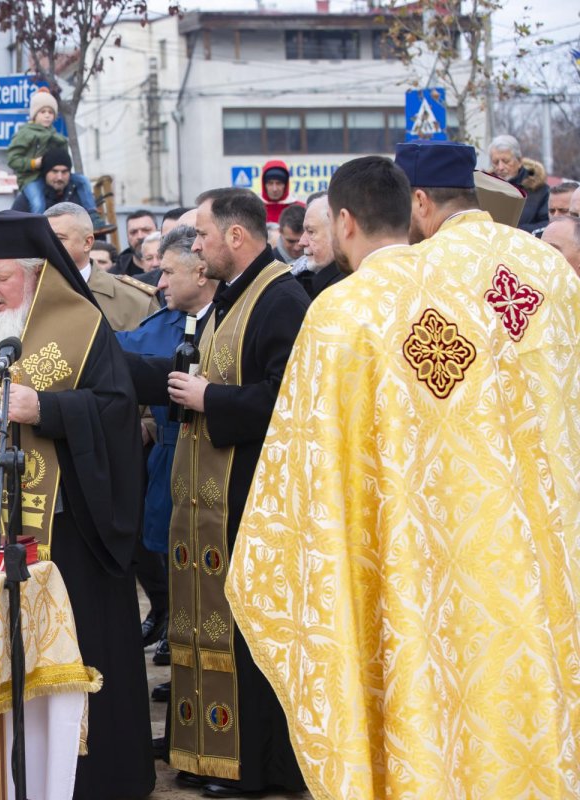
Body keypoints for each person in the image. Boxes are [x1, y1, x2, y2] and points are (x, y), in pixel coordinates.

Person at [227, 154, 580, 800]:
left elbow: (305, 472)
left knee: (428, 709)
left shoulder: (357, 307)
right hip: (537, 543)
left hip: (417, 558)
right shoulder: (529, 274)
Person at [0, 210, 156, 800]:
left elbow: (118, 412)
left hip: (68, 529)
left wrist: (47, 410)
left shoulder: (82, 325)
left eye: (3, 276)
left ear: (36, 273)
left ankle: (87, 779)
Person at [136, 188, 308, 795]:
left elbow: (288, 400)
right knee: (200, 624)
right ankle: (203, 750)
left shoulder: (281, 297)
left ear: (235, 237)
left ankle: (249, 767)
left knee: (243, 633)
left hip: (248, 495)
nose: (196, 248)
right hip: (209, 496)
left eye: (202, 235)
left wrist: (210, 399)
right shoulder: (234, 296)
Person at [399, 140, 580, 581]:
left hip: (467, 489)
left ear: (419, 201)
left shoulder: (417, 270)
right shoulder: (546, 260)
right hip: (557, 475)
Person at [115, 225, 217, 706]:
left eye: (169, 272)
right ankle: (185, 685)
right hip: (169, 469)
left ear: (201, 271)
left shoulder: (233, 320)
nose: (158, 284)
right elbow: (111, 353)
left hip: (218, 470)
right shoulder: (160, 326)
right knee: (176, 571)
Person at [45, 202, 156, 332]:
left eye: (59, 239)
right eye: (44, 239)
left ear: (87, 243)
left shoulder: (135, 301)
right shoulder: (25, 293)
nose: (48, 246)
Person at [5, 88, 97, 214]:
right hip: (30, 178)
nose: (47, 115)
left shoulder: (56, 136)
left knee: (83, 181)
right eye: (43, 112)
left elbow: (63, 157)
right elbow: (12, 159)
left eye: (51, 112)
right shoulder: (25, 134)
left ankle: (92, 214)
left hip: (48, 176)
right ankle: (38, 228)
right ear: (34, 115)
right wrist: (32, 163)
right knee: (37, 202)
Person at [11, 147, 102, 224]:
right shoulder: (27, 200)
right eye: (54, 171)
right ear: (45, 173)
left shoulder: (81, 197)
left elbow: (96, 234)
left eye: (64, 172)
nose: (59, 177)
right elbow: (12, 230)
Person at [487, 134, 549, 232]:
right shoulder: (484, 189)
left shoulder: (540, 189)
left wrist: (516, 231)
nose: (500, 167)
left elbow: (547, 224)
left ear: (519, 161)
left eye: (506, 161)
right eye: (495, 162)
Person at [293, 193, 345, 299]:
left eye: (311, 231)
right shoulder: (300, 278)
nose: (301, 242)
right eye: (304, 231)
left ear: (336, 231)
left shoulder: (343, 291)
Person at [113, 210, 157, 276]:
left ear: (158, 231)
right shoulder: (114, 275)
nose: (140, 236)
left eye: (146, 230)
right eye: (133, 232)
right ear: (127, 237)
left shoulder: (174, 268)